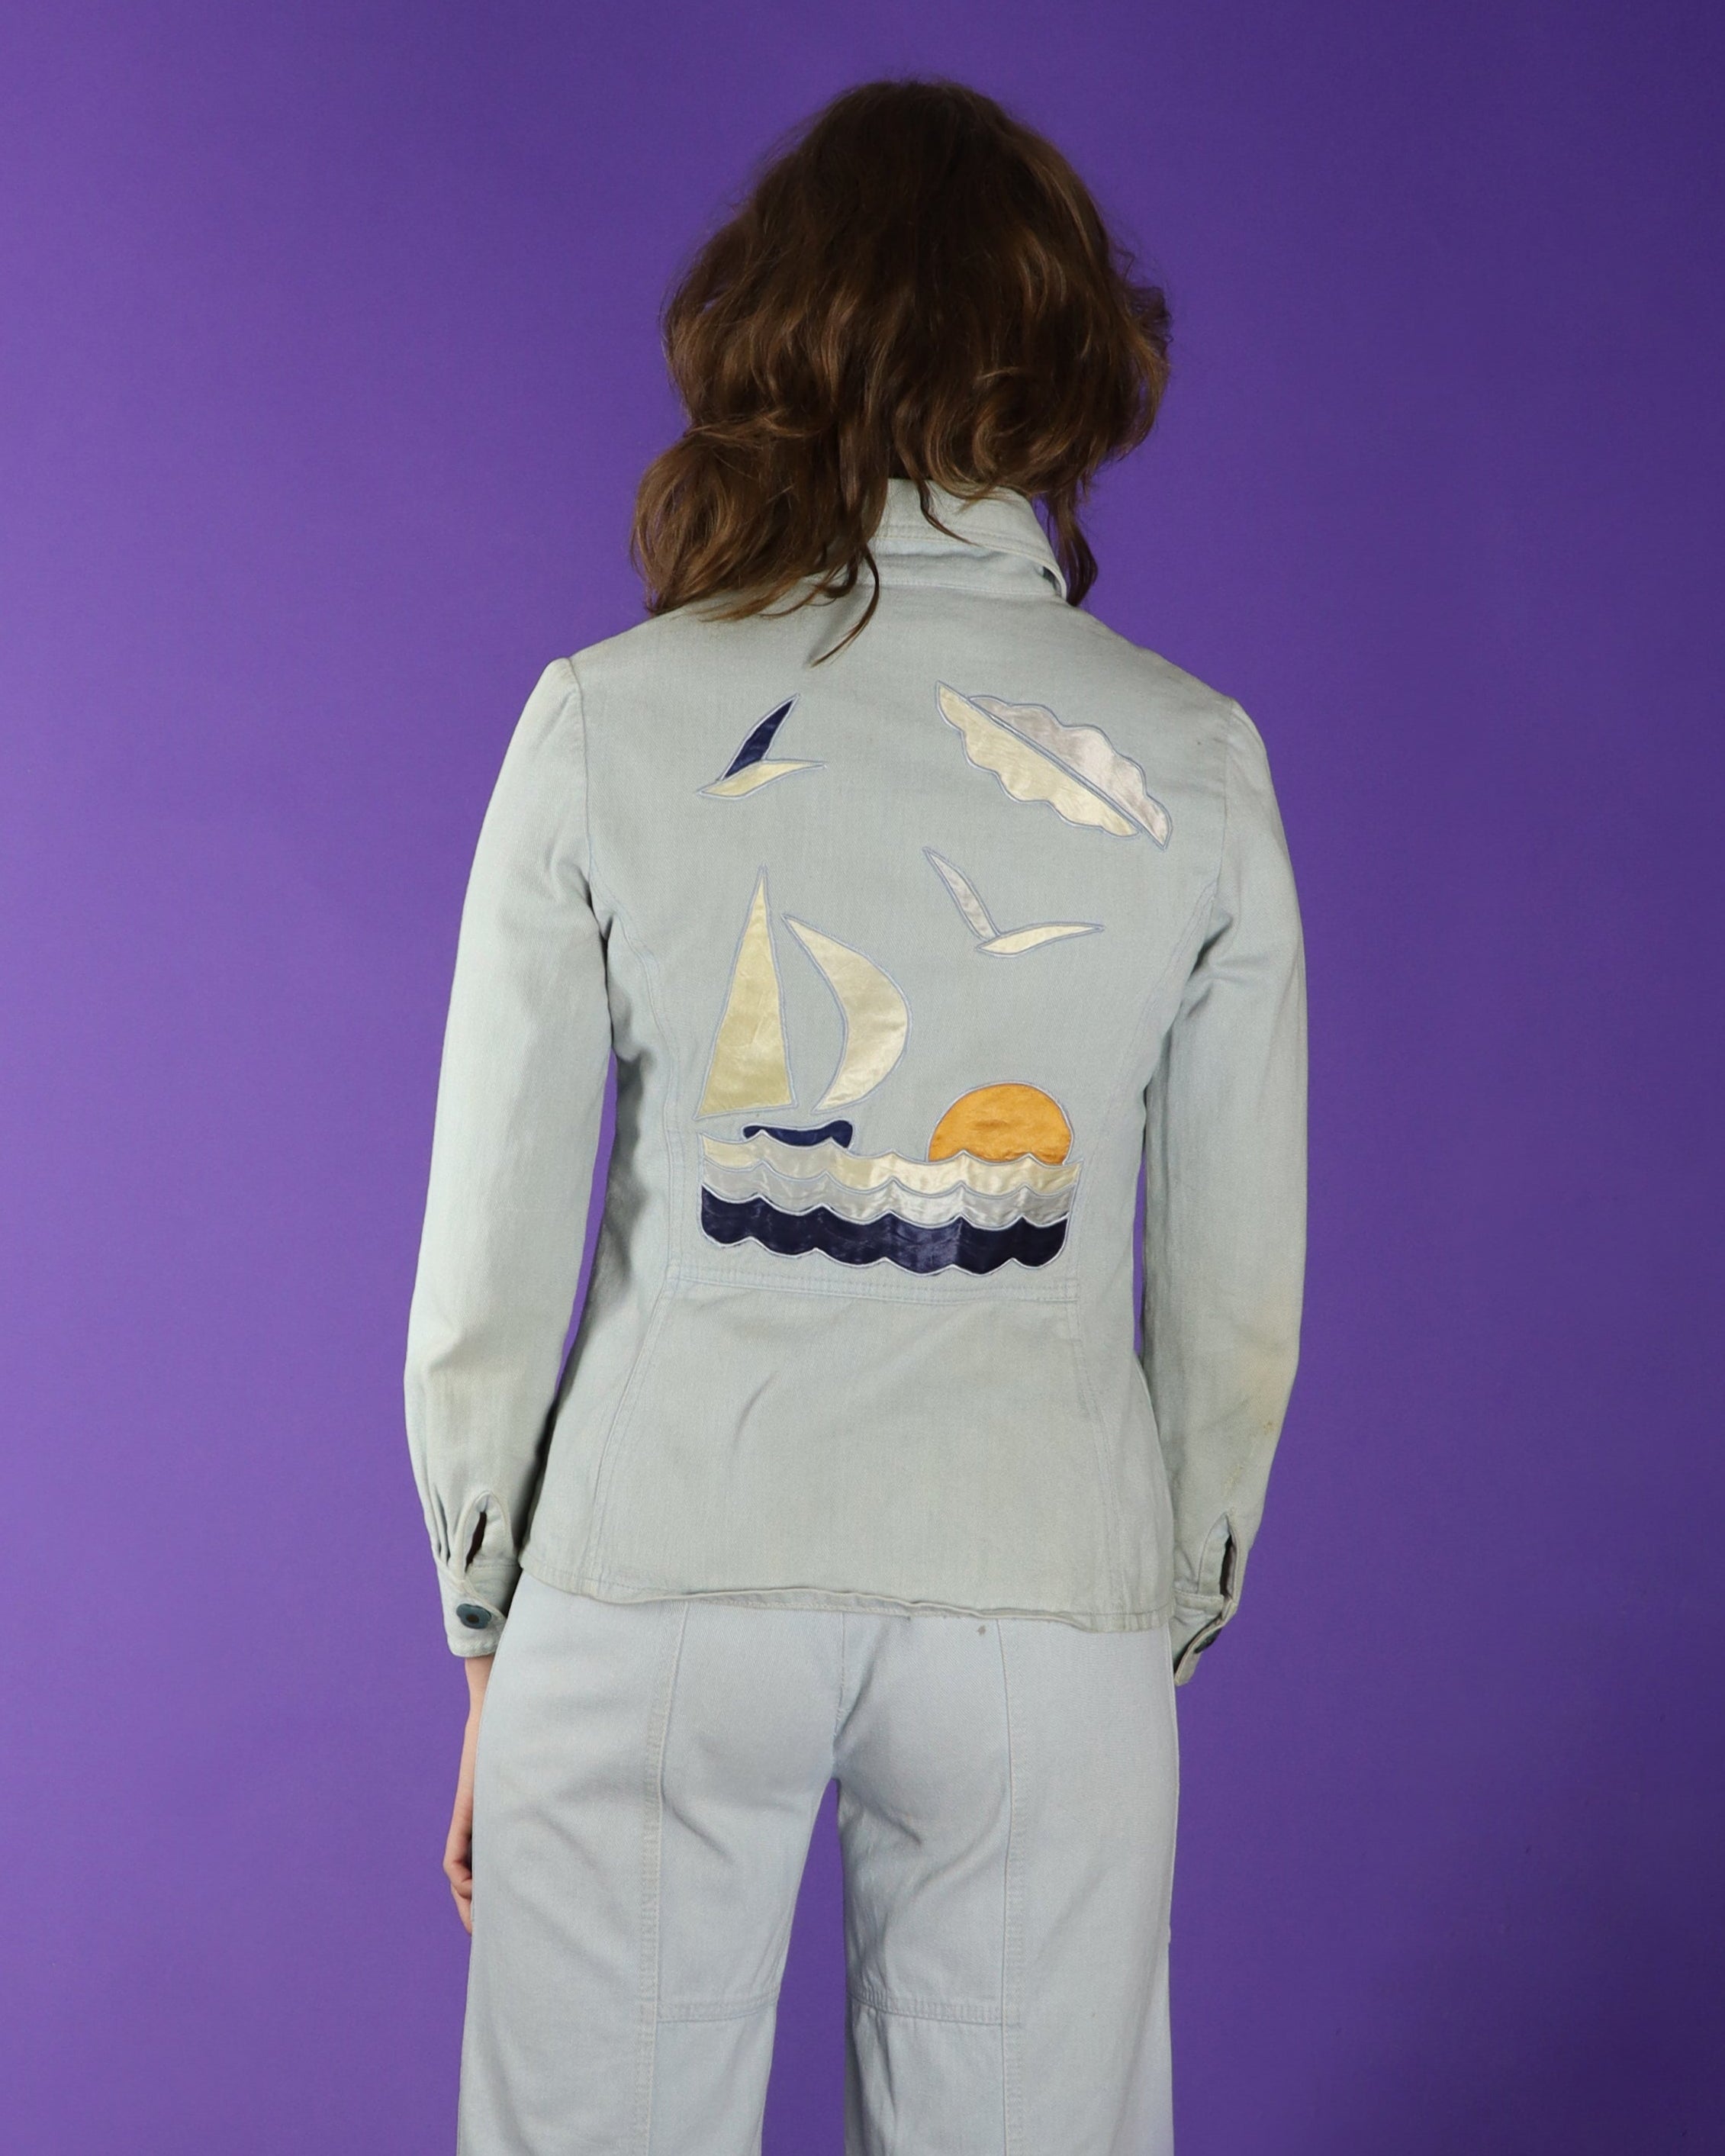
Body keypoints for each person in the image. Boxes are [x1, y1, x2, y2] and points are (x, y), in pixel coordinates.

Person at [404, 76, 1306, 2156]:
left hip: (656, 1571)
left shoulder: (605, 721)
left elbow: (486, 1271)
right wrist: (1145, 1615)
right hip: (1042, 1588)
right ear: (1065, 352)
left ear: (773, 331)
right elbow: (1235, 1310)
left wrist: (487, 1629)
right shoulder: (1196, 762)